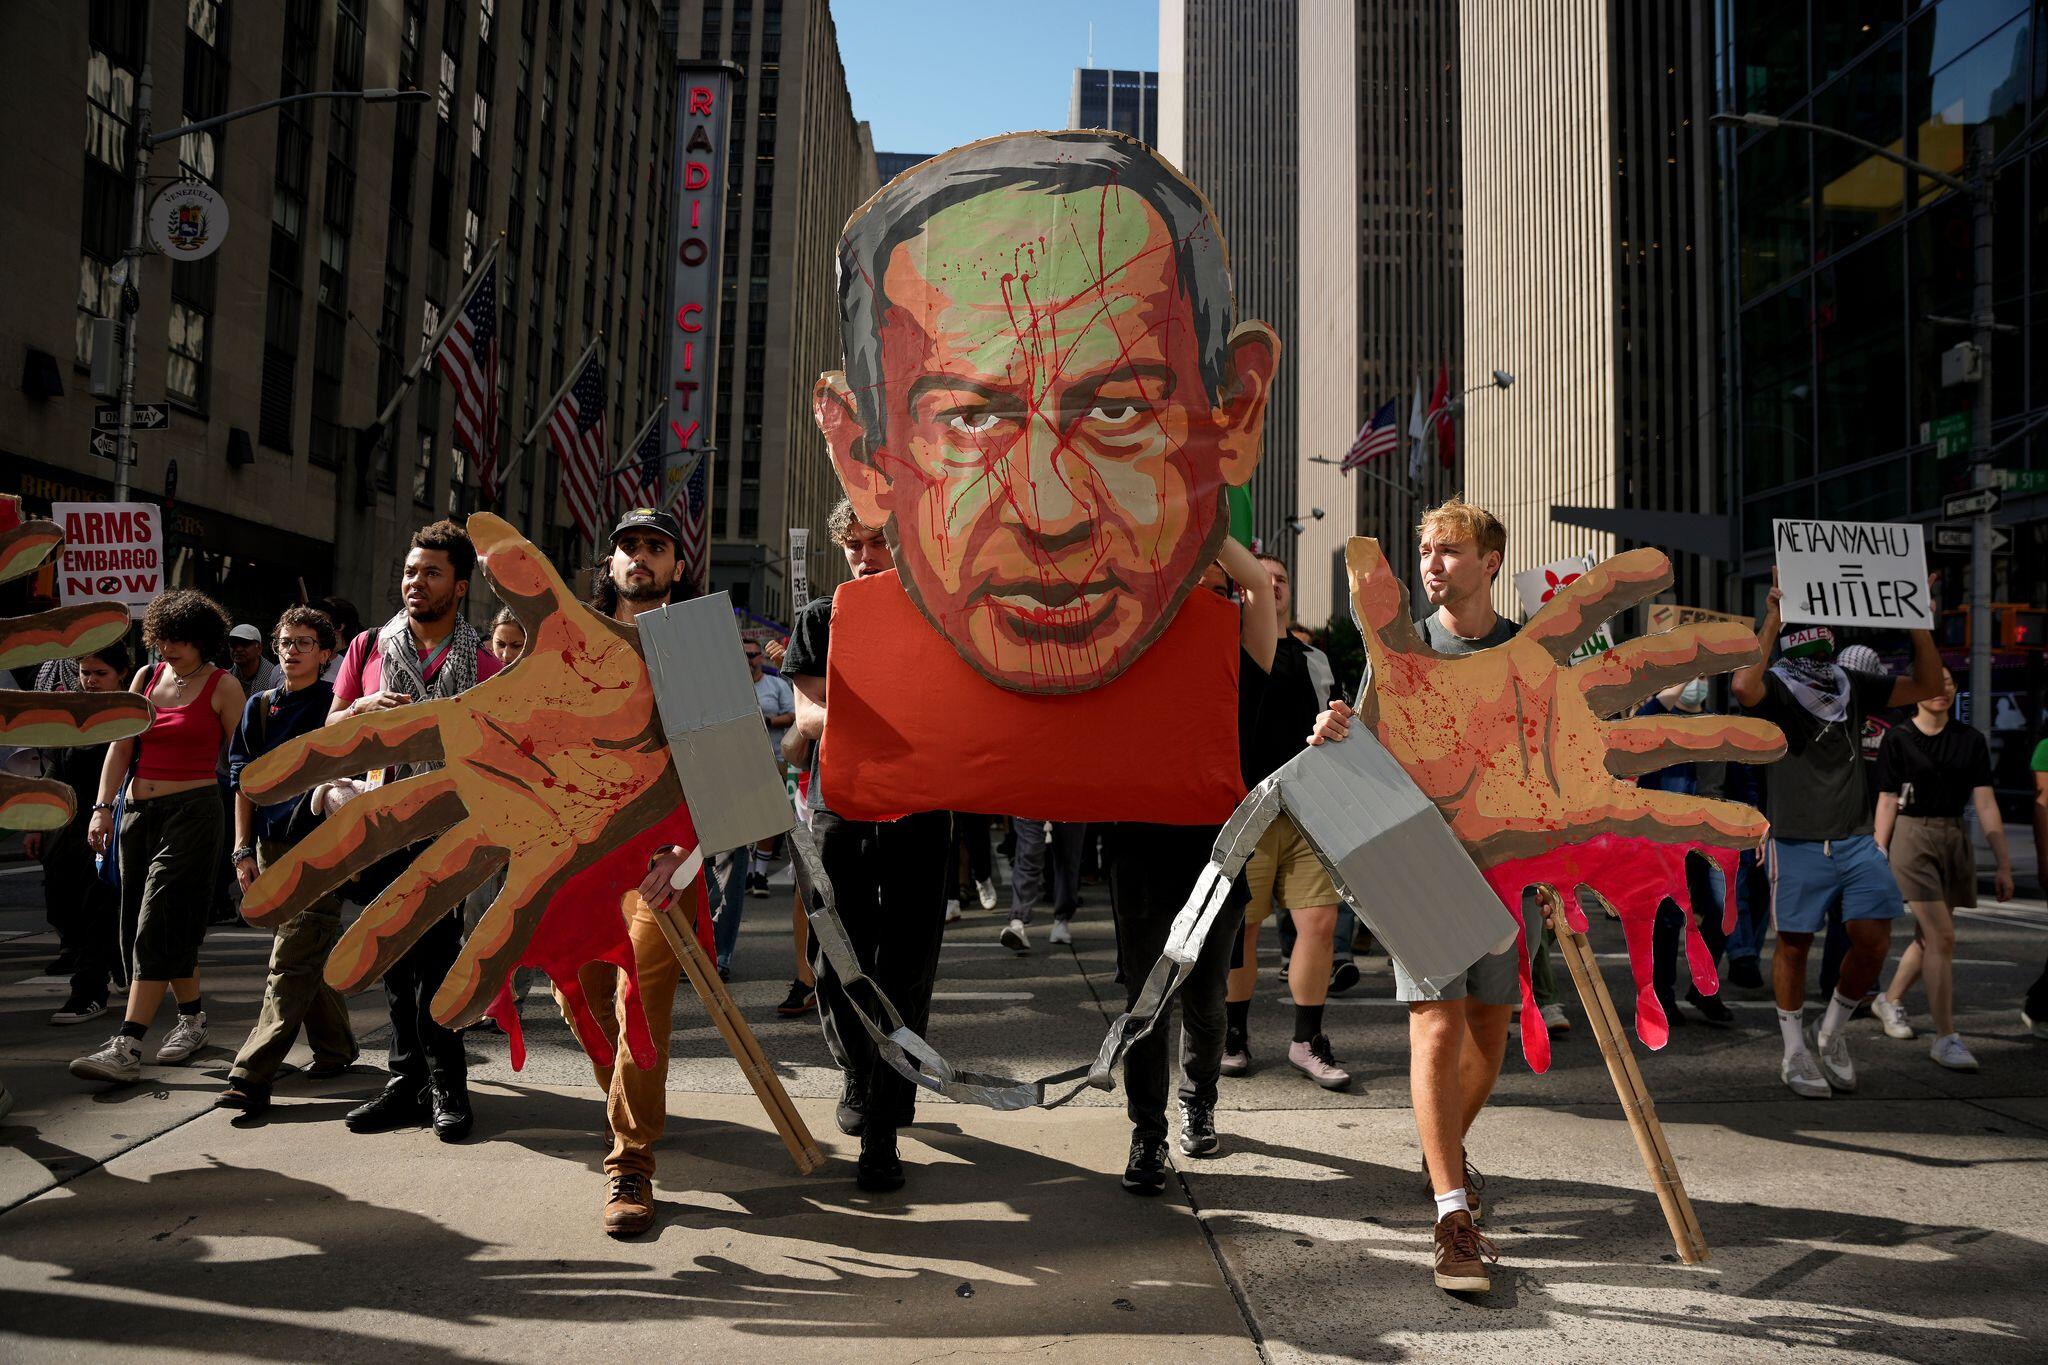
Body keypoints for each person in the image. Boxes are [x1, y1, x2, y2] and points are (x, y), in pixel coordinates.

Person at [1307, 497, 1524, 1294]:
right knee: (1437, 1025)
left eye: (1450, 550)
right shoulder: (1399, 650)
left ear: (1490, 562)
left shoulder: (1526, 653)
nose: (1432, 562)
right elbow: (1360, 747)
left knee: (1489, 1033)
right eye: (1426, 550)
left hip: (1507, 869)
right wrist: (1333, 732)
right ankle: (1452, 1217)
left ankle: (1441, 1154)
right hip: (1424, 866)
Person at [783, 501, 954, 1193]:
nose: (864, 556)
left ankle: (883, 1123)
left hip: (923, 807)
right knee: (835, 958)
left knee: (906, 963)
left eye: (878, 542)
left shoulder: (940, 616)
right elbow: (807, 715)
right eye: (853, 544)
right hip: (841, 806)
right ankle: (859, 1070)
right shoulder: (820, 618)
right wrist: (879, 718)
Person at [547, 506, 708, 1236]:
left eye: (656, 547)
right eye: (628, 546)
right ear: (609, 562)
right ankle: (631, 1094)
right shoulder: (571, 642)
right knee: (578, 996)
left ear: (677, 564)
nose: (640, 556)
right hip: (578, 858)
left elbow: (725, 764)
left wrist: (686, 854)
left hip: (660, 861)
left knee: (639, 999)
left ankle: (631, 1159)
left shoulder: (694, 645)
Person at [1730, 573, 1943, 1099]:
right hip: (1796, 839)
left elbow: (1927, 686)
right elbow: (1742, 687)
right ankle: (1793, 1051)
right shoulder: (1778, 685)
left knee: (1873, 939)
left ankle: (1831, 1032)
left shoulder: (1851, 681)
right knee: (1794, 946)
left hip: (1855, 839)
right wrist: (1772, 616)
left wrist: (1918, 619)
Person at [324, 520, 502, 1139]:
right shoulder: (368, 647)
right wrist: (358, 710)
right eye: (409, 571)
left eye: (431, 573)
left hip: (449, 827)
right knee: (395, 960)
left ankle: (446, 1084)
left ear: (460, 586)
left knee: (438, 959)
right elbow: (330, 731)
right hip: (381, 823)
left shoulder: (484, 662)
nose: (415, 582)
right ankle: (408, 1084)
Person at [1111, 542, 1273, 1185]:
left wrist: (1204, 521)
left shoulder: (1244, 651)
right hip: (1139, 847)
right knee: (1145, 1001)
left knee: (1206, 999)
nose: (1193, 583)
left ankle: (1198, 1103)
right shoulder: (1132, 648)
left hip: (1217, 852)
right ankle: (1147, 1135)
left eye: (1207, 572)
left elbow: (1258, 583)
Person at [71, 590, 247, 1084]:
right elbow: (120, 747)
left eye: (180, 640)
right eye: (163, 638)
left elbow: (242, 765)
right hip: (136, 815)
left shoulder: (223, 685)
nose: (168, 648)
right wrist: (102, 809)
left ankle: (127, 1044)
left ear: (202, 640)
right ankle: (192, 1019)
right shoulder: (146, 677)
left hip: (194, 814)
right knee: (150, 924)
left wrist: (245, 838)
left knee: (157, 920)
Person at [215, 607, 354, 1113]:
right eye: (285, 642)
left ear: (325, 653)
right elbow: (243, 783)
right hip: (269, 847)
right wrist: (242, 850)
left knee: (290, 957)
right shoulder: (258, 707)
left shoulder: (334, 705)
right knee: (303, 949)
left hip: (323, 846)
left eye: (304, 643)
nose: (292, 651)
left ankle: (251, 1074)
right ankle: (336, 1047)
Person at [1224, 551, 1353, 1091]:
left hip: (1306, 809)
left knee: (1319, 925)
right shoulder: (1226, 649)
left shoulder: (1315, 658)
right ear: (1242, 588)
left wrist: (1340, 720)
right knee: (1242, 929)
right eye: (1262, 577)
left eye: (1281, 578)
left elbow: (1342, 725)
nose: (1272, 584)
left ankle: (1307, 1041)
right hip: (1246, 809)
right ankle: (1232, 1035)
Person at [1870, 669, 2014, 1069]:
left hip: (1954, 837)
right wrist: (1878, 851)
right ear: (1916, 691)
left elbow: (1985, 802)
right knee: (1942, 936)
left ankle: (1889, 1000)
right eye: (1933, 682)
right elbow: (1886, 799)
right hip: (1912, 836)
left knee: (1931, 938)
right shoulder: (1898, 738)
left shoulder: (1971, 740)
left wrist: (2003, 863)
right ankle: (1946, 1037)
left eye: (1948, 682)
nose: (1941, 689)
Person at [26, 643, 129, 1025]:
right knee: (62, 904)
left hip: (109, 825)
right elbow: (55, 770)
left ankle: (89, 992)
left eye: (101, 673)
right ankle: (117, 961)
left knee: (97, 908)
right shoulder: (71, 713)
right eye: (86, 673)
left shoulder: (129, 716)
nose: (91, 681)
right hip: (65, 826)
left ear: (121, 673)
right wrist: (36, 824)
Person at [1637, 680, 1738, 1026]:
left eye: (1703, 676)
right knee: (1667, 919)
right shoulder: (1657, 720)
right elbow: (1644, 717)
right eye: (1691, 675)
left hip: (1709, 835)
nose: (1697, 682)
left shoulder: (1716, 725)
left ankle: (1704, 989)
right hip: (1665, 838)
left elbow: (1737, 777)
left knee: (1722, 910)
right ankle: (1662, 995)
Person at [711, 635, 796, 979]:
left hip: (768, 760)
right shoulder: (720, 685)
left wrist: (770, 721)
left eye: (752, 654)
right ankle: (705, 945)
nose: (748, 659)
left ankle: (758, 874)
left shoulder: (774, 685)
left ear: (760, 656)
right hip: (722, 773)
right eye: (742, 654)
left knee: (765, 825)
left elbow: (795, 714)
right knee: (709, 864)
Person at [1001, 819, 1085, 950]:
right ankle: (1018, 920)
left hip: (1069, 807)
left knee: (1067, 857)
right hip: (1032, 807)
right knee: (1028, 852)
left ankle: (1062, 919)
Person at [227, 623, 285, 695]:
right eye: (233, 644)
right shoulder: (225, 678)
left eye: (245, 644)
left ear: (259, 649)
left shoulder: (275, 679)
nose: (238, 649)